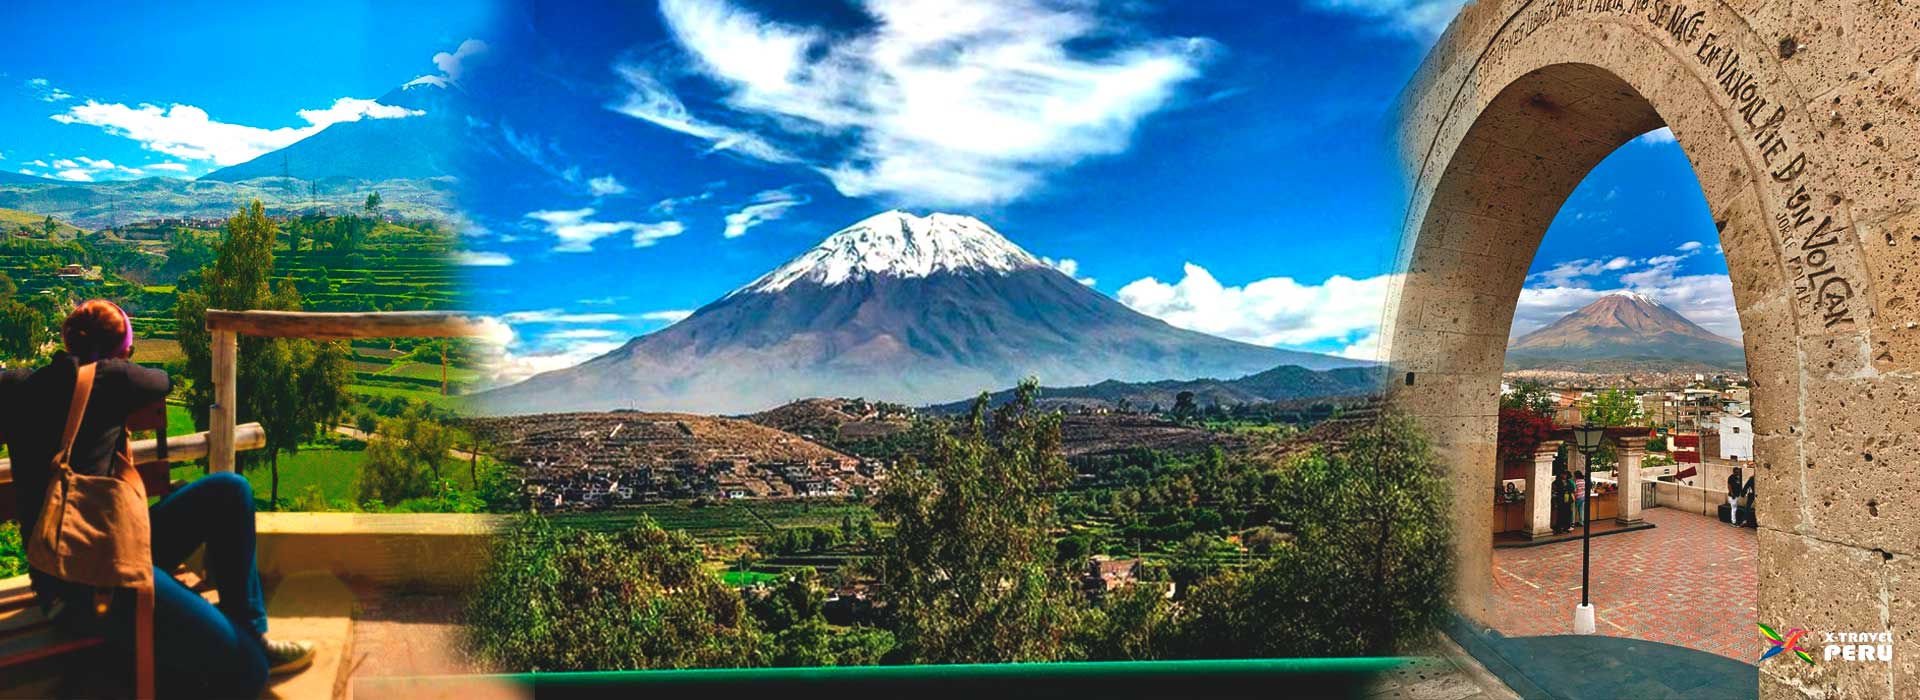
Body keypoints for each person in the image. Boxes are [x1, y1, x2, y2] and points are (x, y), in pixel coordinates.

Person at [0, 300, 313, 697]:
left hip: (74, 567)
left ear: (66, 340)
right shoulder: (118, 379)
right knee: (248, 672)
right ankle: (227, 653)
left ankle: (248, 631)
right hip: (90, 587)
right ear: (124, 350)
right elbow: (161, 381)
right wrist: (122, 363)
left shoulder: (13, 386)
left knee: (229, 491)